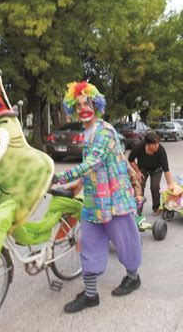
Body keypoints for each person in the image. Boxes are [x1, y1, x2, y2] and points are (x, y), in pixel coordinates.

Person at [53, 81, 142, 314]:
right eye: (79, 104)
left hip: (114, 201)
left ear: (97, 105)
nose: (83, 108)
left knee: (126, 245)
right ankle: (90, 295)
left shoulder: (104, 131)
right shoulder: (86, 132)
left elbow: (93, 162)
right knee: (89, 247)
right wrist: (76, 183)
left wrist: (60, 178)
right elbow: (92, 169)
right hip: (93, 202)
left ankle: (133, 277)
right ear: (73, 108)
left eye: (88, 103)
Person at [128, 132, 175, 215]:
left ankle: (156, 208)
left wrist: (170, 184)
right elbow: (130, 159)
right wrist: (137, 171)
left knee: (155, 187)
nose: (157, 145)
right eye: (154, 144)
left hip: (157, 169)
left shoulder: (161, 150)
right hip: (143, 169)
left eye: (157, 143)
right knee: (139, 186)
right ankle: (138, 210)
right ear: (147, 144)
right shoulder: (139, 147)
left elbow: (166, 168)